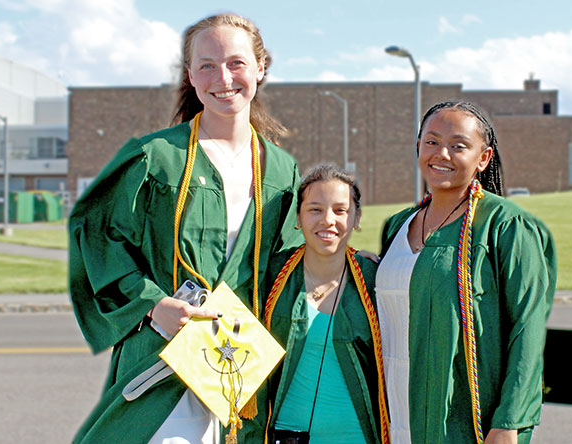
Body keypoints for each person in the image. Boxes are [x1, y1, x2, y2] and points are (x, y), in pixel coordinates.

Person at [68, 13, 301, 444]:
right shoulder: (154, 157)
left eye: (236, 62)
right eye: (207, 65)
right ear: (190, 75)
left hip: (240, 364)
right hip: (165, 358)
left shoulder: (281, 169)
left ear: (260, 68)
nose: (223, 77)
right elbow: (98, 237)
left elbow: (290, 268)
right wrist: (154, 305)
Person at [375, 101, 556, 444]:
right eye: (431, 141)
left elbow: (527, 328)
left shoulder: (505, 226)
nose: (441, 153)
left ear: (483, 158)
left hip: (461, 420)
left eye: (458, 145)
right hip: (397, 411)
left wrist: (509, 422)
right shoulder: (398, 226)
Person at [259, 165, 390, 444]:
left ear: (356, 217)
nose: (328, 220)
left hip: (356, 436)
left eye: (340, 210)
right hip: (285, 433)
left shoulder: (375, 280)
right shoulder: (272, 275)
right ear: (298, 217)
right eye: (315, 209)